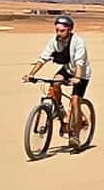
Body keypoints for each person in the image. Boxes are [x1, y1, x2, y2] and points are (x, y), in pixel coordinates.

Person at [24, 13, 92, 145]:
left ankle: (75, 135)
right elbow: (43, 58)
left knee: (75, 100)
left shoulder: (78, 42)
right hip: (67, 69)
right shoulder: (54, 41)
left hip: (82, 73)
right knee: (55, 82)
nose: (59, 33)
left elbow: (80, 62)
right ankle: (61, 112)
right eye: (57, 30)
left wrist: (77, 77)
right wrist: (31, 75)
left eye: (62, 31)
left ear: (70, 30)